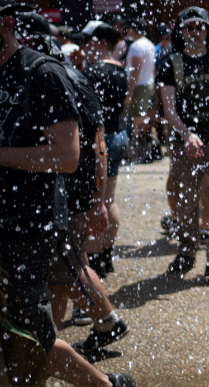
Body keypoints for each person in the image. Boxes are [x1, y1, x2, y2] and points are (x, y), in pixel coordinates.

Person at [0, 0, 135, 387]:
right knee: (5, 337)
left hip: (34, 231)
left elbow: (66, 157)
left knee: (31, 340)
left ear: (7, 23)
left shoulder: (41, 73)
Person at [159, 6, 209, 280]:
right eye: (189, 28)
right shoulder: (171, 62)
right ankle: (186, 251)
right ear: (180, 31)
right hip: (186, 141)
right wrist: (186, 134)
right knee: (185, 199)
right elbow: (169, 109)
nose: (195, 33)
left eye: (200, 27)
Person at [76, 21, 129, 279]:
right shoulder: (121, 70)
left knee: (96, 205)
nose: (86, 47)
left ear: (99, 43)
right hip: (119, 135)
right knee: (109, 199)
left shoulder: (93, 73)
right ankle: (106, 256)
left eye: (89, 43)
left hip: (101, 141)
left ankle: (96, 262)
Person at [122, 18, 158, 163]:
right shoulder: (149, 44)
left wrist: (130, 91)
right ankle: (152, 150)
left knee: (138, 121)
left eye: (129, 28)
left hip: (139, 86)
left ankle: (136, 153)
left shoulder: (136, 46)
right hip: (148, 83)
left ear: (133, 29)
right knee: (145, 119)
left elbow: (135, 70)